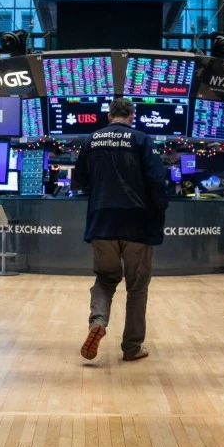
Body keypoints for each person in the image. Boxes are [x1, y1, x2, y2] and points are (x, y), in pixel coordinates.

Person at [74, 98, 168, 362]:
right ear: (131, 117)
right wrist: (158, 214)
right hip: (137, 223)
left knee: (105, 279)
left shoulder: (91, 140)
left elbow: (79, 180)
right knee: (137, 287)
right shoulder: (141, 140)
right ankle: (132, 347)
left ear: (109, 116)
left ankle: (98, 322)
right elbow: (157, 182)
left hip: (101, 221)